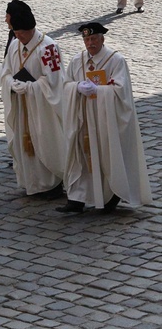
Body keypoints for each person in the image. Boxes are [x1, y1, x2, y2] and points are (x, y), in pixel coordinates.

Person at [58, 22, 152, 213]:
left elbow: (121, 91)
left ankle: (110, 195)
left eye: (93, 39)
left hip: (105, 118)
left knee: (105, 155)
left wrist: (98, 91)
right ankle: (77, 198)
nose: (90, 43)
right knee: (81, 155)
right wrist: (76, 88)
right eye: (86, 39)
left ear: (102, 39)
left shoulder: (115, 60)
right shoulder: (78, 60)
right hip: (83, 117)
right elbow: (66, 84)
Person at [0, 0, 65, 199]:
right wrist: (11, 83)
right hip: (22, 105)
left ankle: (51, 184)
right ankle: (32, 183)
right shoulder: (15, 45)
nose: (17, 36)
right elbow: (5, 71)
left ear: (28, 29)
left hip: (42, 107)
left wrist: (30, 87)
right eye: (16, 33)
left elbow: (54, 81)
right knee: (23, 143)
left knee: (44, 140)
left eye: (20, 33)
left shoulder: (48, 47)